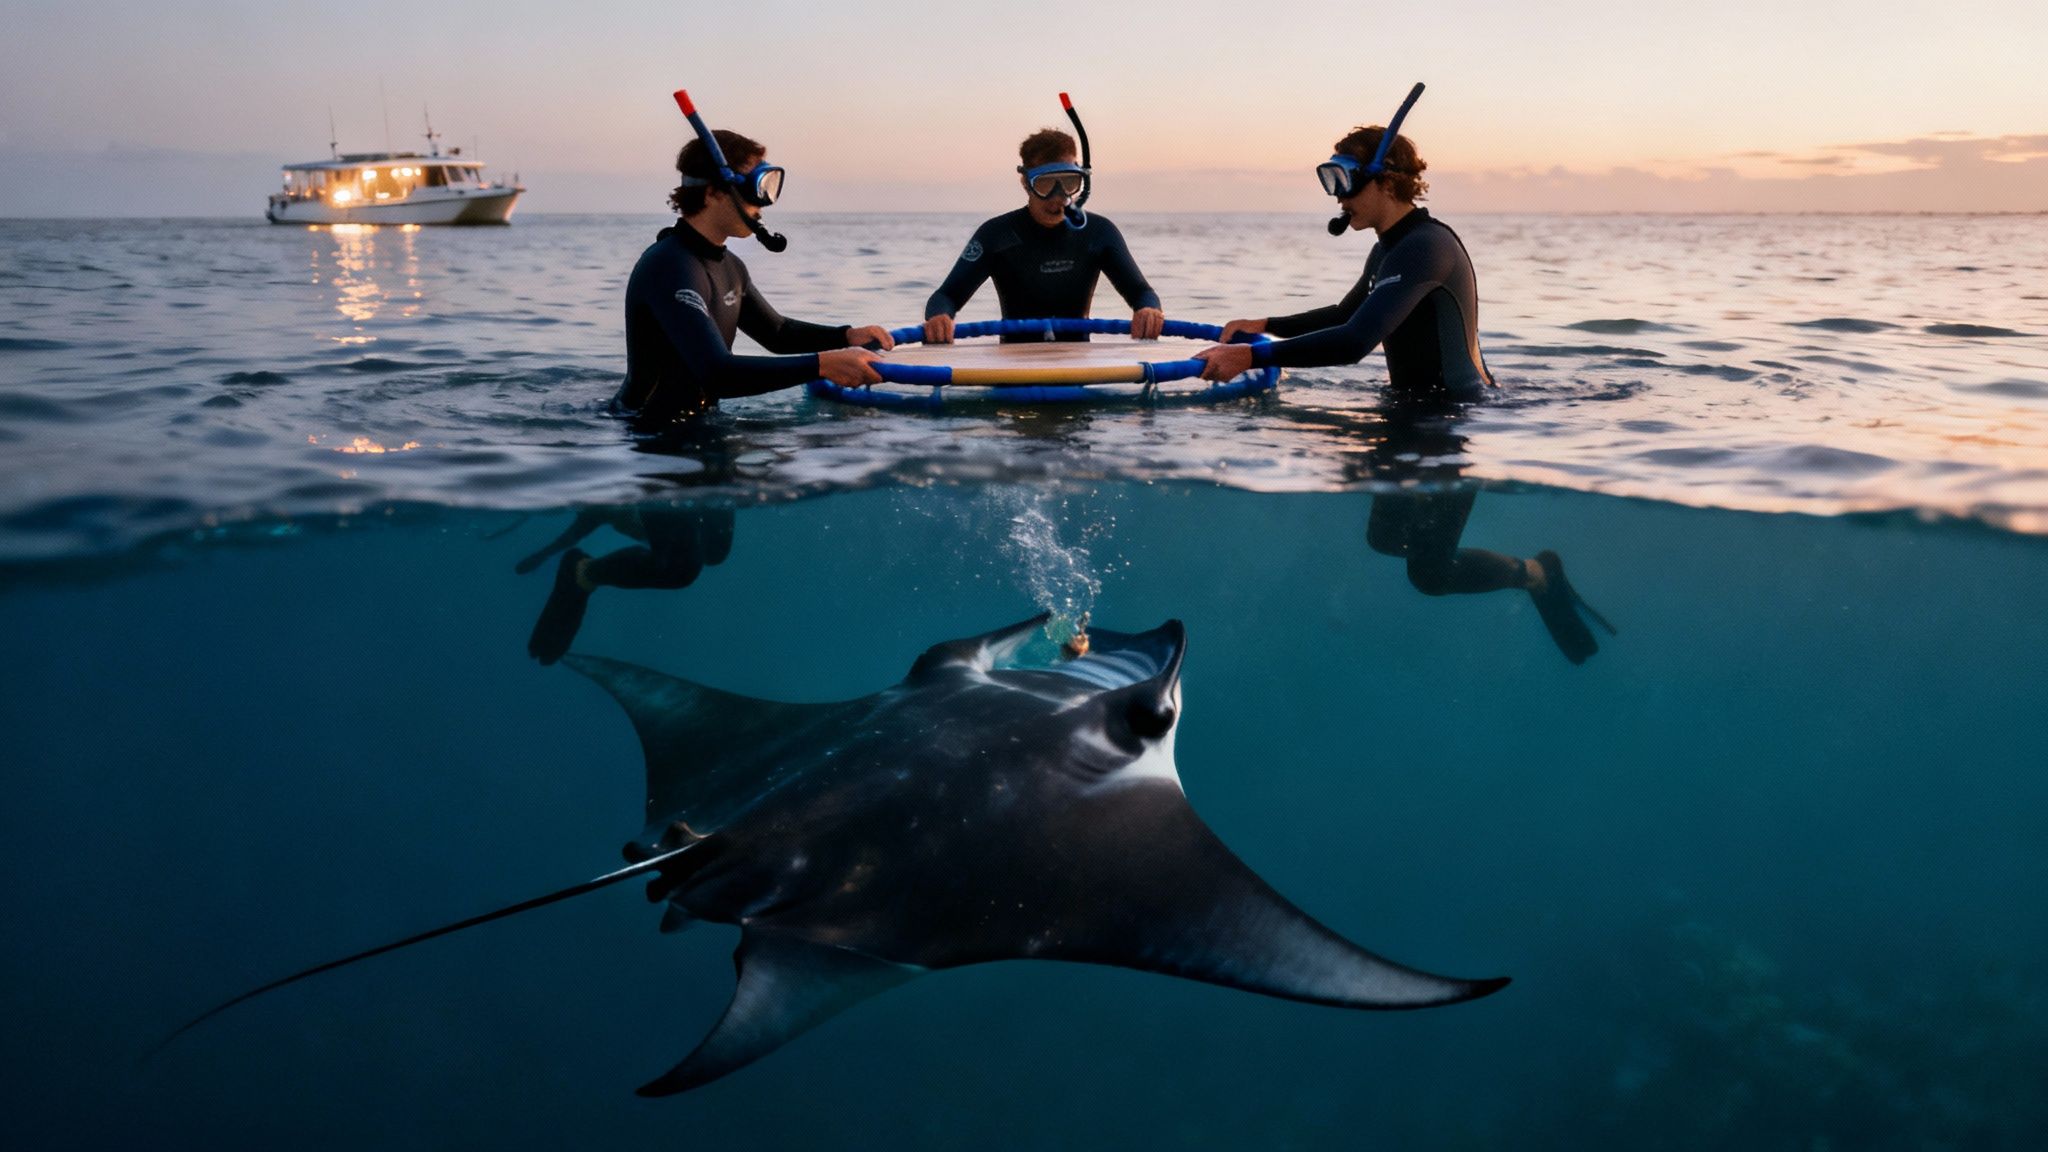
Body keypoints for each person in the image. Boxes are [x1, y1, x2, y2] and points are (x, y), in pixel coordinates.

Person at [615, 127, 892, 426]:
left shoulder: (730, 266)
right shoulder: (669, 266)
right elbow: (716, 372)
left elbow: (778, 333)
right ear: (713, 193)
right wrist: (822, 365)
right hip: (648, 433)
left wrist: (845, 336)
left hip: (697, 427)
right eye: (757, 189)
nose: (763, 204)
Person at [1192, 124, 1490, 400]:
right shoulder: (1389, 249)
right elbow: (1344, 315)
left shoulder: (1425, 247)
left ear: (1387, 183)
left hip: (1452, 413)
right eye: (1331, 181)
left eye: (1346, 182)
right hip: (1421, 409)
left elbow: (1355, 341)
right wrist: (1265, 325)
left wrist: (1250, 357)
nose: (1339, 199)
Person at [923, 127, 1164, 345]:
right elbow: (946, 296)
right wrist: (940, 317)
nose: (1058, 197)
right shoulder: (996, 234)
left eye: (1069, 183)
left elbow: (1141, 292)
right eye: (1046, 185)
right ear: (1025, 183)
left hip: (1077, 370)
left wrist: (1148, 310)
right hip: (1012, 371)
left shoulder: (1099, 232)